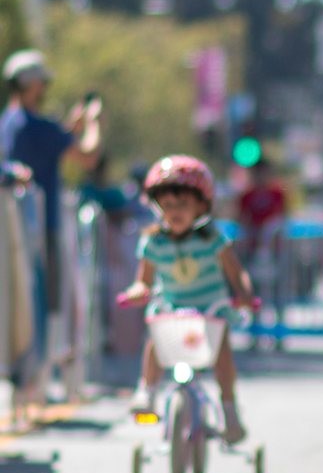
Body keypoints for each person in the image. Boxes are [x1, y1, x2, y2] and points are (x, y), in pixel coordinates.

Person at [118, 155, 256, 443]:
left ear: (201, 206)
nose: (175, 212)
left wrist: (244, 295)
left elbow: (236, 272)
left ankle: (229, 410)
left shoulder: (212, 239)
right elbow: (142, 280)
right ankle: (146, 390)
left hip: (211, 310)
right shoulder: (153, 242)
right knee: (155, 336)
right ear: (157, 208)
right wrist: (136, 292)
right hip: (172, 308)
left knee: (221, 352)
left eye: (183, 205)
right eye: (168, 206)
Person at [1, 49, 103, 303]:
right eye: (42, 82)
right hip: (41, 228)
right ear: (30, 83)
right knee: (45, 306)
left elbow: (46, 145)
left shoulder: (7, 122)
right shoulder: (38, 126)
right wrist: (94, 122)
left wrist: (67, 129)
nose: (45, 88)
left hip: (12, 227)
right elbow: (88, 156)